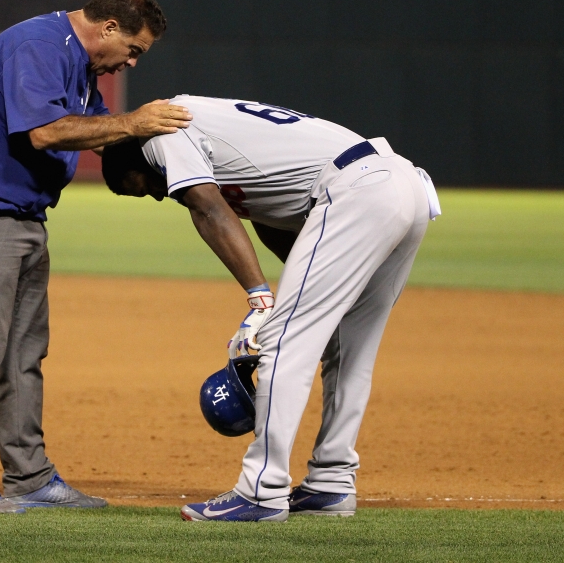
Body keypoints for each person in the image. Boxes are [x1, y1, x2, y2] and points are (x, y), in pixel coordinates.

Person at [101, 95, 441, 522]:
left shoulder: (160, 132)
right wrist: (300, 297)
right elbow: (275, 222)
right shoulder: (226, 146)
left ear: (137, 159)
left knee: (282, 339)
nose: (156, 194)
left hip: (358, 191)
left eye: (145, 186)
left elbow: (206, 207)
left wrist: (262, 301)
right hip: (400, 186)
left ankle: (261, 491)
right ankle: (330, 484)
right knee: (349, 346)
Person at [0, 0, 191, 513]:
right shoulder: (39, 45)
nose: (131, 61)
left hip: (23, 216)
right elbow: (46, 132)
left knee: (23, 352)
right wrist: (133, 121)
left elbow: (97, 137)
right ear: (110, 28)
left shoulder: (80, 65)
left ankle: (30, 477)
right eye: (134, 49)